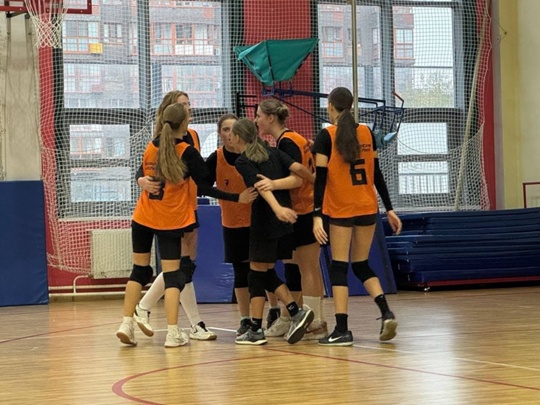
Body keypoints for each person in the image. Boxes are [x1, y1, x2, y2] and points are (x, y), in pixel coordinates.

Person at [116, 103, 235, 348]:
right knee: (172, 276)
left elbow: (143, 172)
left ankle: (126, 323)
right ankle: (172, 333)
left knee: (139, 272)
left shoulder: (151, 146)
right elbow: (205, 183)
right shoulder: (186, 152)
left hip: (143, 217)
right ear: (185, 123)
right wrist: (233, 188)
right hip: (169, 220)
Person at [311, 87, 402, 346]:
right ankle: (386, 312)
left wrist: (316, 215)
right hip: (367, 207)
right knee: (361, 265)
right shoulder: (367, 133)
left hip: (341, 209)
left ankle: (342, 330)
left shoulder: (326, 136)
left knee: (339, 267)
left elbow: (320, 180)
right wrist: (390, 208)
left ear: (330, 106)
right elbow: (377, 174)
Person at [232, 118, 314, 345]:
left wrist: (277, 209)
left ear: (237, 137)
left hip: (266, 220)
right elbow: (299, 172)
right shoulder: (274, 152)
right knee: (264, 273)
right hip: (285, 222)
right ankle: (291, 313)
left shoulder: (243, 160)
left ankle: (259, 328)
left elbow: (261, 187)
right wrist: (316, 181)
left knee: (256, 275)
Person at [254, 99, 327, 341]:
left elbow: (298, 179)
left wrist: (272, 184)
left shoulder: (287, 142)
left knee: (308, 268)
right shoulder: (293, 138)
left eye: (259, 115)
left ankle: (315, 321)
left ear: (271, 118)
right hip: (300, 209)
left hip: (304, 209)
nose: (256, 120)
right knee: (295, 266)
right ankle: (289, 317)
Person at [205, 113, 254, 336]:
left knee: (263, 269)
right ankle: (245, 318)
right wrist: (234, 198)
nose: (230, 134)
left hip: (257, 222)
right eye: (225, 129)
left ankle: (274, 311)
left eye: (234, 129)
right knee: (240, 271)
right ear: (220, 133)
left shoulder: (253, 154)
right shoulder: (216, 158)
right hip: (233, 223)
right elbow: (202, 187)